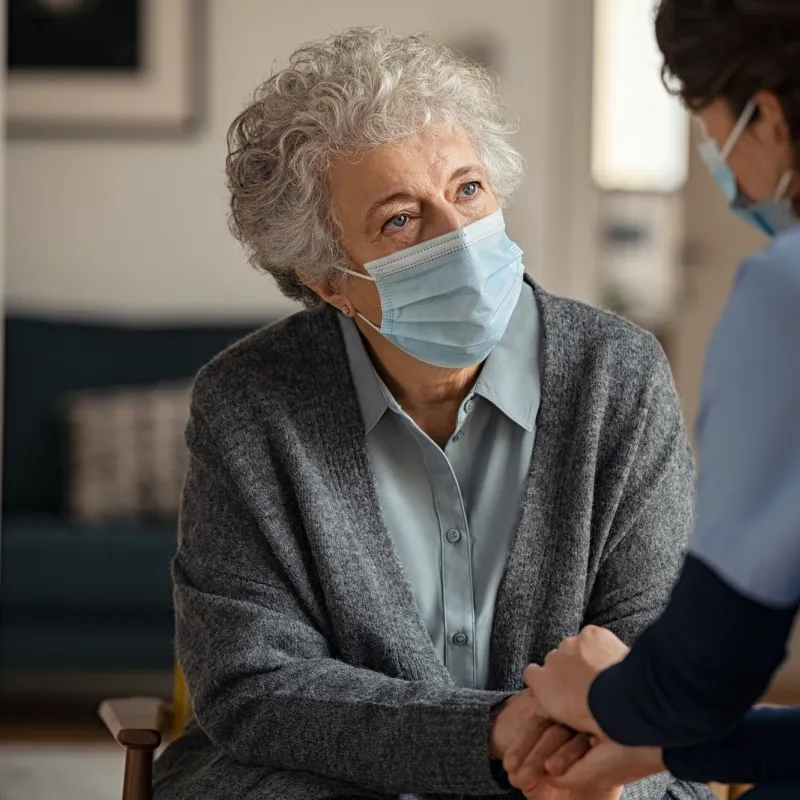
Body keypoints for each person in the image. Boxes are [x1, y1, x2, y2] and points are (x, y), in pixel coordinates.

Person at [151, 27, 714, 800]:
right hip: (330, 781)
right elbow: (253, 681)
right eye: (399, 220)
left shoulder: (619, 376)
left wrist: (564, 762)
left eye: (468, 189)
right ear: (327, 280)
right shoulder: (248, 402)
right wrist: (485, 735)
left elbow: (655, 645)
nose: (459, 235)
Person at [508, 1, 800, 798]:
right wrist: (668, 752)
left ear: (766, 116)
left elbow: (702, 673)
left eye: (711, 129)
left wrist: (595, 694)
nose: (719, 161)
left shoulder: (785, 291)